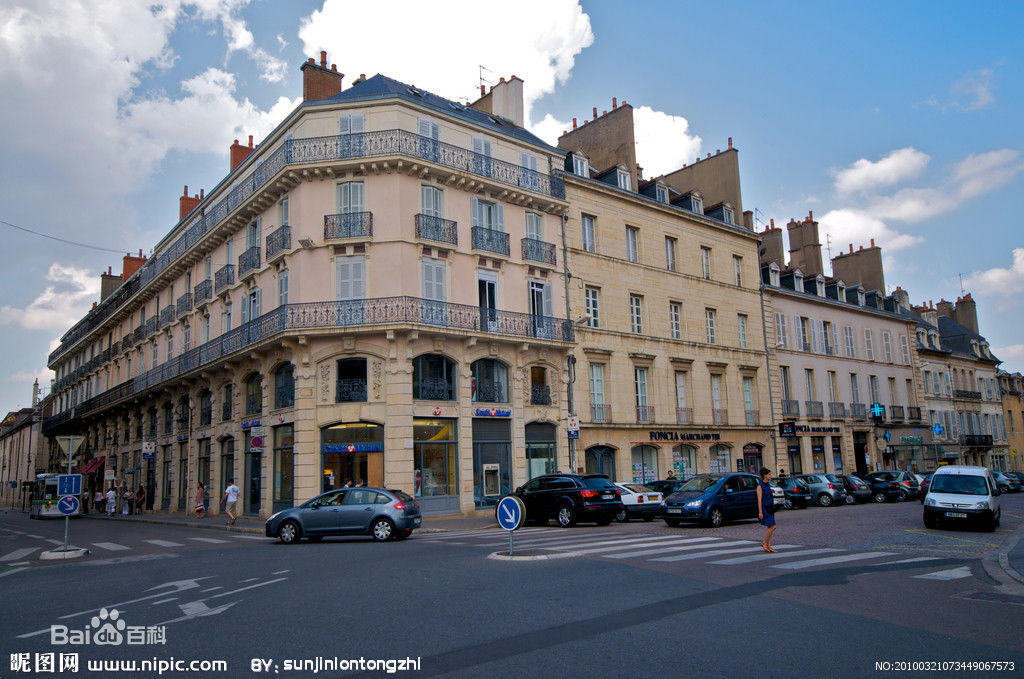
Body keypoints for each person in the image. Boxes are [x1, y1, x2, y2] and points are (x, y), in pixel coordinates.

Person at [756, 467, 777, 552]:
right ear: (764, 475)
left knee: (770, 526)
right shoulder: (760, 486)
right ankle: (764, 542)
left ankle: (768, 545)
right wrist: (760, 512)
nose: (770, 476)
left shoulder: (768, 485)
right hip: (765, 508)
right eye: (769, 474)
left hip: (770, 507)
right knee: (773, 526)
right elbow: (759, 499)